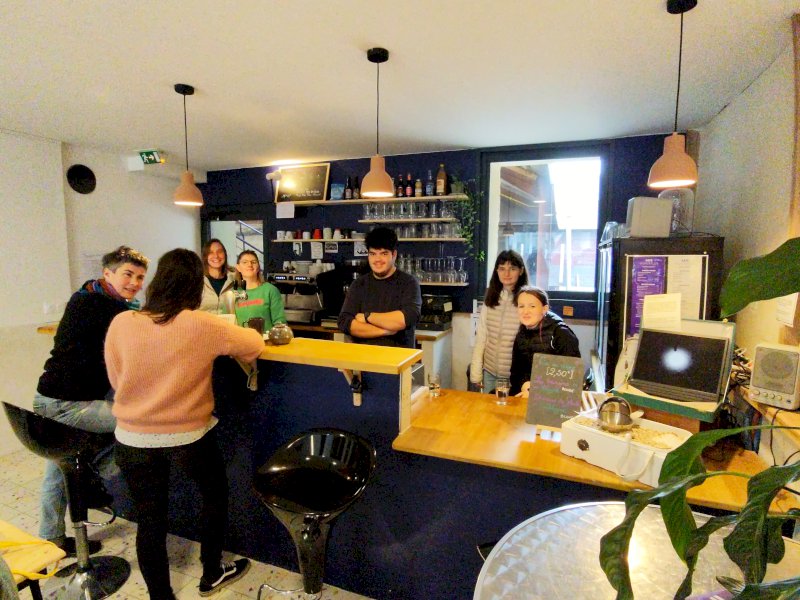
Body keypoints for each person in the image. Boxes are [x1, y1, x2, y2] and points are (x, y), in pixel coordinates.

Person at [104, 248, 264, 600]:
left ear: (157, 281)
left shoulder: (122, 322)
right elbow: (254, 344)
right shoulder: (200, 324)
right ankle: (211, 572)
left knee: (150, 522)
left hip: (132, 439)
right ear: (195, 286)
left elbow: (116, 379)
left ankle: (161, 596)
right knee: (214, 496)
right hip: (188, 437)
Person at [33, 246, 149, 556]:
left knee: (58, 469)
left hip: (46, 399)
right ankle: (93, 476)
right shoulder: (106, 308)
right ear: (107, 273)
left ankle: (51, 538)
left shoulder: (85, 294)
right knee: (139, 422)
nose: (135, 283)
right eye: (128, 274)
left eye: (140, 277)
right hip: (67, 405)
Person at [338, 227, 421, 348]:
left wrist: (367, 317)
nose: (377, 259)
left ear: (394, 255)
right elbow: (345, 322)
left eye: (384, 253)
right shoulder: (358, 284)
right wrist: (386, 330)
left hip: (398, 358)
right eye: (373, 254)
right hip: (365, 357)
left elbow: (406, 318)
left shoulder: (409, 283)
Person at [469, 250, 528, 392]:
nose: (506, 273)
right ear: (496, 271)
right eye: (502, 269)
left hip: (514, 376)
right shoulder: (491, 297)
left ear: (521, 271)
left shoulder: (526, 299)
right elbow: (481, 337)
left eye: (512, 269)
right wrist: (476, 373)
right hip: (489, 372)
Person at [509, 286, 581, 397]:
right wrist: (524, 385)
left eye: (532, 306)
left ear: (544, 309)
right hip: (525, 394)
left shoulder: (561, 334)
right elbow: (516, 372)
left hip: (553, 399)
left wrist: (537, 390)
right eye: (521, 306)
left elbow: (572, 378)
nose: (525, 311)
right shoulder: (522, 332)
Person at [233, 250, 286, 330]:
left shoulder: (270, 290)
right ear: (238, 267)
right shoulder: (232, 294)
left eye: (253, 262)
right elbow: (227, 322)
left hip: (265, 338)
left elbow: (280, 323)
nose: (250, 265)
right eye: (245, 262)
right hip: (240, 338)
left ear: (258, 267)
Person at [199, 238, 236, 313]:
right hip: (203, 320)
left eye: (219, 252)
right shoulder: (197, 280)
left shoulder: (235, 278)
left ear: (225, 254)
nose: (216, 256)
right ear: (205, 256)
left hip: (228, 320)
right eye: (211, 252)